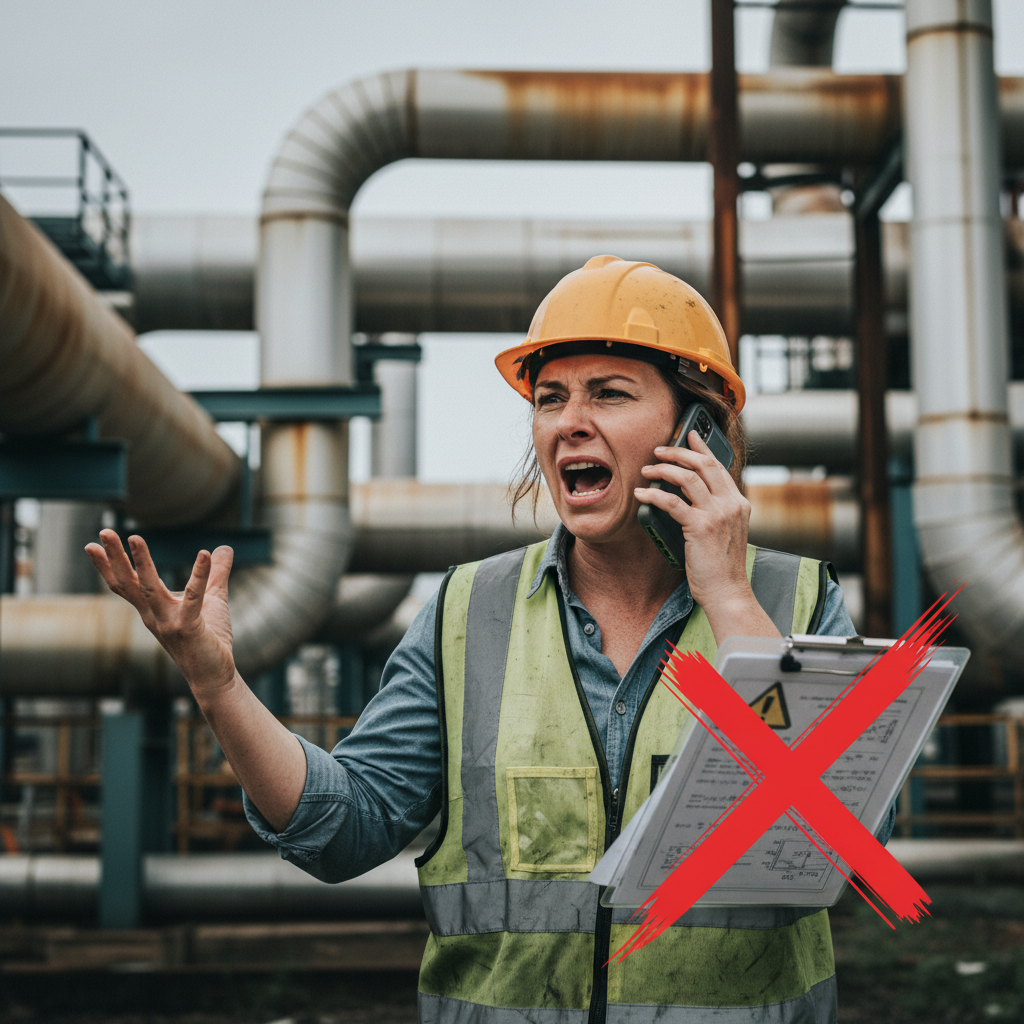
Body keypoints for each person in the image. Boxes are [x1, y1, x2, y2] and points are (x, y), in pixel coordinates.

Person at [87, 255, 864, 1024]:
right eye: (550, 398)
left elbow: (837, 840)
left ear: (699, 432)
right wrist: (219, 687)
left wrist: (726, 596)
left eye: (610, 393)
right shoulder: (469, 612)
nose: (570, 422)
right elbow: (343, 830)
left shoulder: (794, 601)